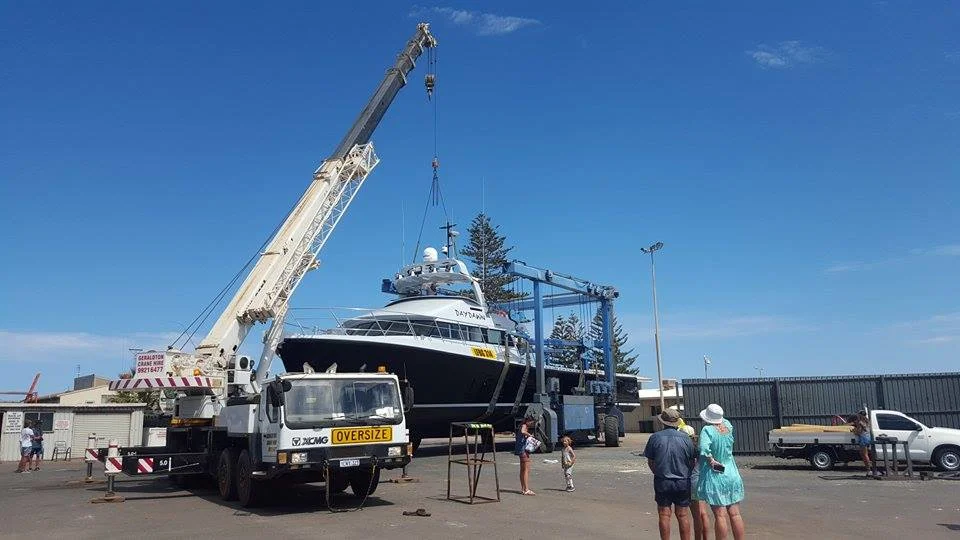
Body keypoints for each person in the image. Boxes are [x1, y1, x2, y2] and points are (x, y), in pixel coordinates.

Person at [644, 408, 696, 540]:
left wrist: (658, 472)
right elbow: (692, 461)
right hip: (683, 480)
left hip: (663, 480)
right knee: (683, 515)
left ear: (663, 422)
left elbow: (651, 461)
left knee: (664, 514)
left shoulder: (655, 438)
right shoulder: (686, 439)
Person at [697, 404, 745, 540]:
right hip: (731, 471)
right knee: (735, 513)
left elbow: (704, 449)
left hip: (716, 475)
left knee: (720, 514)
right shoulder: (728, 425)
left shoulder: (707, 430)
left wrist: (711, 460)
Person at [679, 421, 709, 540]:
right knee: (703, 514)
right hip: (701, 480)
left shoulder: (684, 449)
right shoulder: (699, 447)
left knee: (695, 515)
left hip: (691, 482)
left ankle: (698, 537)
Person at [515, 416, 539, 495]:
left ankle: (523, 488)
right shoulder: (524, 426)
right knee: (526, 470)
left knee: (522, 470)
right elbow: (523, 431)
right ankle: (526, 489)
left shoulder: (522, 425)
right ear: (528, 421)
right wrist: (530, 435)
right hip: (524, 451)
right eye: (531, 422)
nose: (532, 424)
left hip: (520, 450)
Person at [848, 410, 873, 475]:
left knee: (864, 455)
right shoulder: (867, 421)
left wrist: (854, 431)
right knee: (865, 454)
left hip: (863, 438)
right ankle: (869, 469)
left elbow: (859, 432)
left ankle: (869, 470)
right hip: (867, 438)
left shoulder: (860, 422)